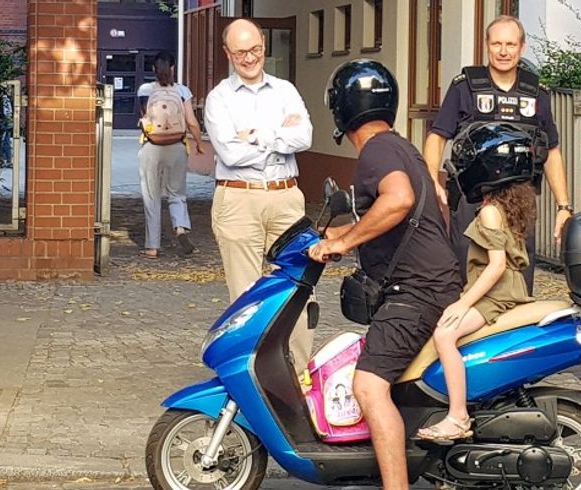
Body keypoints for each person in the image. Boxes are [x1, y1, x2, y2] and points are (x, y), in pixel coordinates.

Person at [310, 59, 460, 490]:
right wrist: (340, 232)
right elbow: (403, 211)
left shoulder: (376, 151)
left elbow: (397, 200)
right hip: (431, 284)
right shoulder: (398, 145)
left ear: (341, 109)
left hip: (415, 293)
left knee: (369, 386)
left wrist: (344, 243)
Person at [423, 15, 574, 292]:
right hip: (471, 199)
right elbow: (437, 136)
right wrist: (432, 181)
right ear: (486, 46)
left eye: (510, 44)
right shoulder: (464, 87)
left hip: (520, 200)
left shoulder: (536, 93)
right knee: (466, 275)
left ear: (522, 47)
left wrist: (563, 206)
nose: (504, 51)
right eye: (497, 44)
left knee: (518, 277)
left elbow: (551, 150)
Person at [204, 18, 315, 373]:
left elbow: (305, 138)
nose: (249, 58)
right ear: (228, 53)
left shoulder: (285, 90)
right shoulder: (219, 98)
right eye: (240, 52)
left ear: (264, 46)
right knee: (247, 296)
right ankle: (254, 374)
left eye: (254, 49)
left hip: (286, 197)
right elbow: (230, 155)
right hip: (239, 200)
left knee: (299, 287)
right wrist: (279, 136)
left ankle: (297, 373)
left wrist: (255, 136)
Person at [416, 123, 538, 442]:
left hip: (495, 295)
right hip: (504, 290)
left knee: (445, 334)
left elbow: (496, 266)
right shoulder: (508, 206)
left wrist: (464, 302)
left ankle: (457, 416)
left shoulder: (489, 213)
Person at [136, 51, 204, 258]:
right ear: (173, 68)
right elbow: (191, 121)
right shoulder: (183, 91)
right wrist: (199, 144)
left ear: (153, 69)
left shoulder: (145, 90)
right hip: (176, 147)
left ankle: (152, 247)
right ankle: (181, 227)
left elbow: (144, 117)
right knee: (177, 193)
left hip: (151, 147)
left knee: (151, 196)